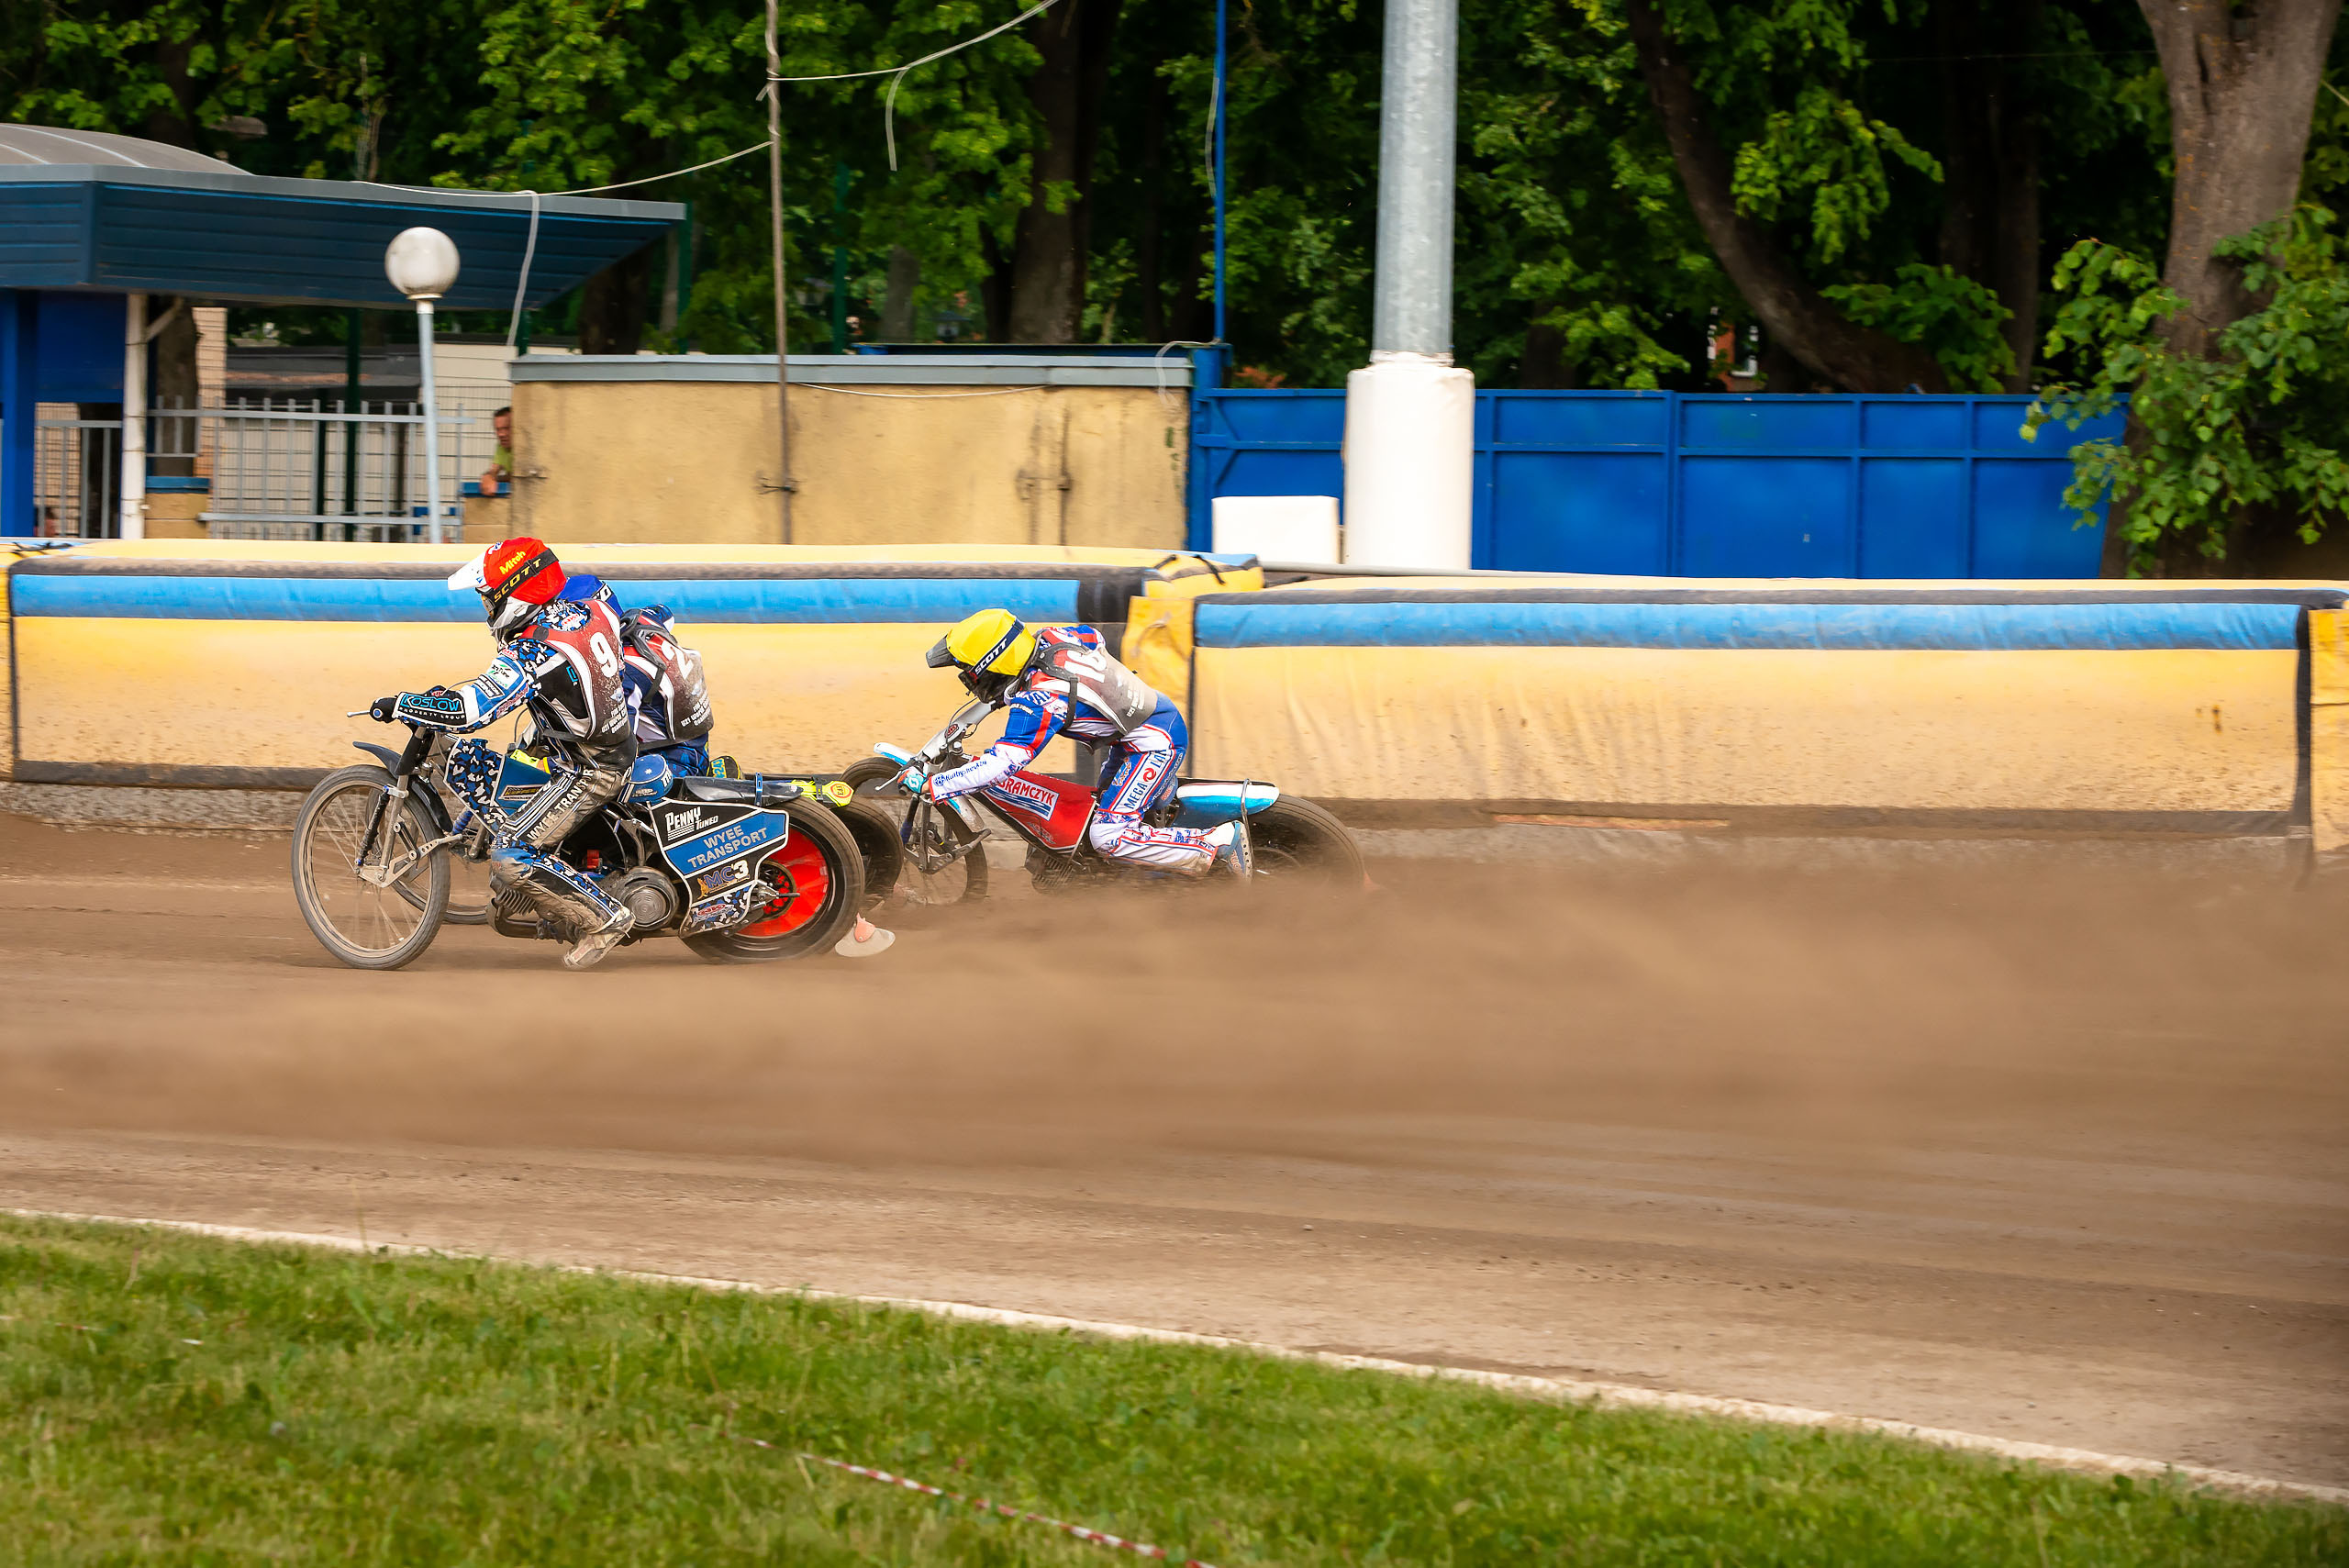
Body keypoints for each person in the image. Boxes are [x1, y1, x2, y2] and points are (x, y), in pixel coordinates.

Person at [370, 537, 636, 969]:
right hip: (590, 736)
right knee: (499, 765)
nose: (486, 606)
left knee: (512, 854)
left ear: (515, 594)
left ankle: (604, 919)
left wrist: (403, 702)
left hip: (591, 768)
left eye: (489, 596)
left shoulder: (532, 650)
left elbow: (471, 711)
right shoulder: (590, 596)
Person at [918, 608, 1248, 879]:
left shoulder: (1042, 698)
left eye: (968, 671)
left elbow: (1002, 764)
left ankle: (1216, 845)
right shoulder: (1052, 636)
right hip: (1144, 725)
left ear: (991, 662)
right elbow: (1095, 637)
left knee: (1107, 835)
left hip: (1154, 743)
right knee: (1093, 824)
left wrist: (940, 784)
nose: (967, 680)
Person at [480, 406, 513, 496]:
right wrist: (487, 477)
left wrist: (496, 479)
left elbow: (517, 478)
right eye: (498, 429)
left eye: (506, 428)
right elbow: (494, 471)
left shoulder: (523, 448)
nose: (501, 434)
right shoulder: (501, 447)